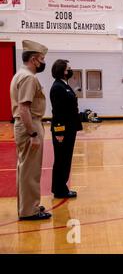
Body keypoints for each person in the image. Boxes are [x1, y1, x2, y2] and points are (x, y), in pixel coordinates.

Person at [9, 40, 51, 221]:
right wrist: (33, 134)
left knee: (26, 168)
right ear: (34, 59)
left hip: (27, 124)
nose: (42, 62)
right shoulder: (28, 77)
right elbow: (24, 108)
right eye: (41, 59)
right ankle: (29, 211)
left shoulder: (20, 74)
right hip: (29, 125)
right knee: (30, 170)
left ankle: (29, 205)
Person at [50, 59, 83, 199]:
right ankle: (59, 190)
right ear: (62, 71)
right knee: (61, 160)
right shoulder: (58, 87)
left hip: (70, 128)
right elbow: (58, 112)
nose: (70, 70)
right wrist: (59, 132)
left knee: (65, 159)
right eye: (68, 68)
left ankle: (61, 187)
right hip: (63, 131)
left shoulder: (65, 85)